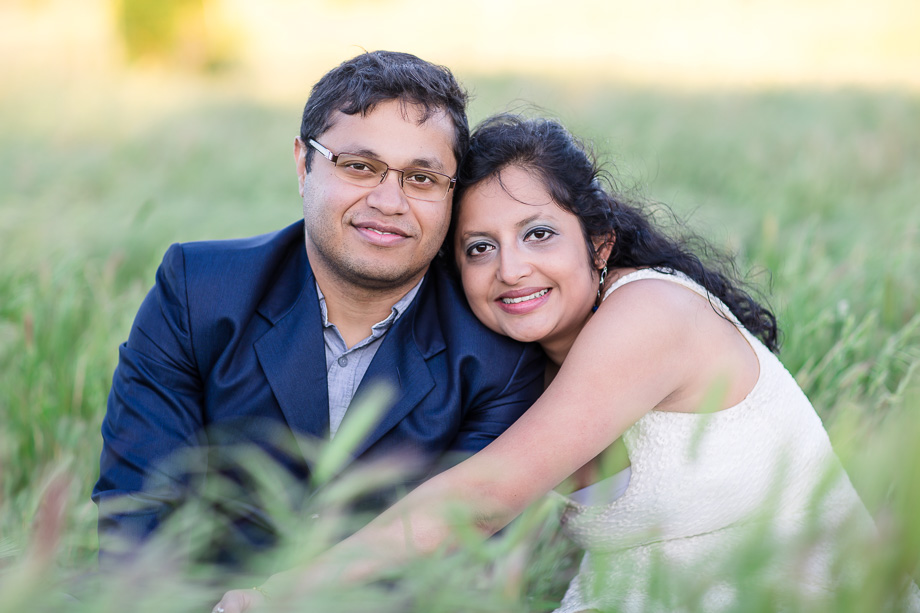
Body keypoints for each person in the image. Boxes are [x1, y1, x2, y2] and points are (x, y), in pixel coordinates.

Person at [215, 113, 920, 613]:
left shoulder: (651, 315)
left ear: (600, 244)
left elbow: (483, 497)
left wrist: (282, 596)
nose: (511, 268)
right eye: (479, 248)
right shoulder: (518, 367)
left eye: (539, 233)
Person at [91, 53, 545, 565]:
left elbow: (461, 561)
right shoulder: (199, 291)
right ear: (303, 164)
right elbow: (139, 510)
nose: (389, 202)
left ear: (452, 195)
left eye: (421, 178)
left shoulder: (497, 355)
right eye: (359, 167)